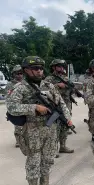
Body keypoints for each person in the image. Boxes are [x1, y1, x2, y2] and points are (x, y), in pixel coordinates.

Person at [6, 56, 73, 185]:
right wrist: (34, 107)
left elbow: (61, 103)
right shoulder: (20, 87)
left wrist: (68, 118)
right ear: (26, 70)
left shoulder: (48, 86)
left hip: (50, 130)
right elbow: (11, 107)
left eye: (41, 68)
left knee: (48, 160)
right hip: (32, 131)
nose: (39, 71)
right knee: (34, 163)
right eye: (35, 68)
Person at [5, 64, 23, 147]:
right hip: (16, 107)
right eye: (17, 73)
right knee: (18, 125)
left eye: (21, 73)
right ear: (13, 74)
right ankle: (18, 141)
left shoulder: (26, 83)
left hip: (26, 106)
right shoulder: (10, 84)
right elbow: (8, 97)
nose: (19, 75)